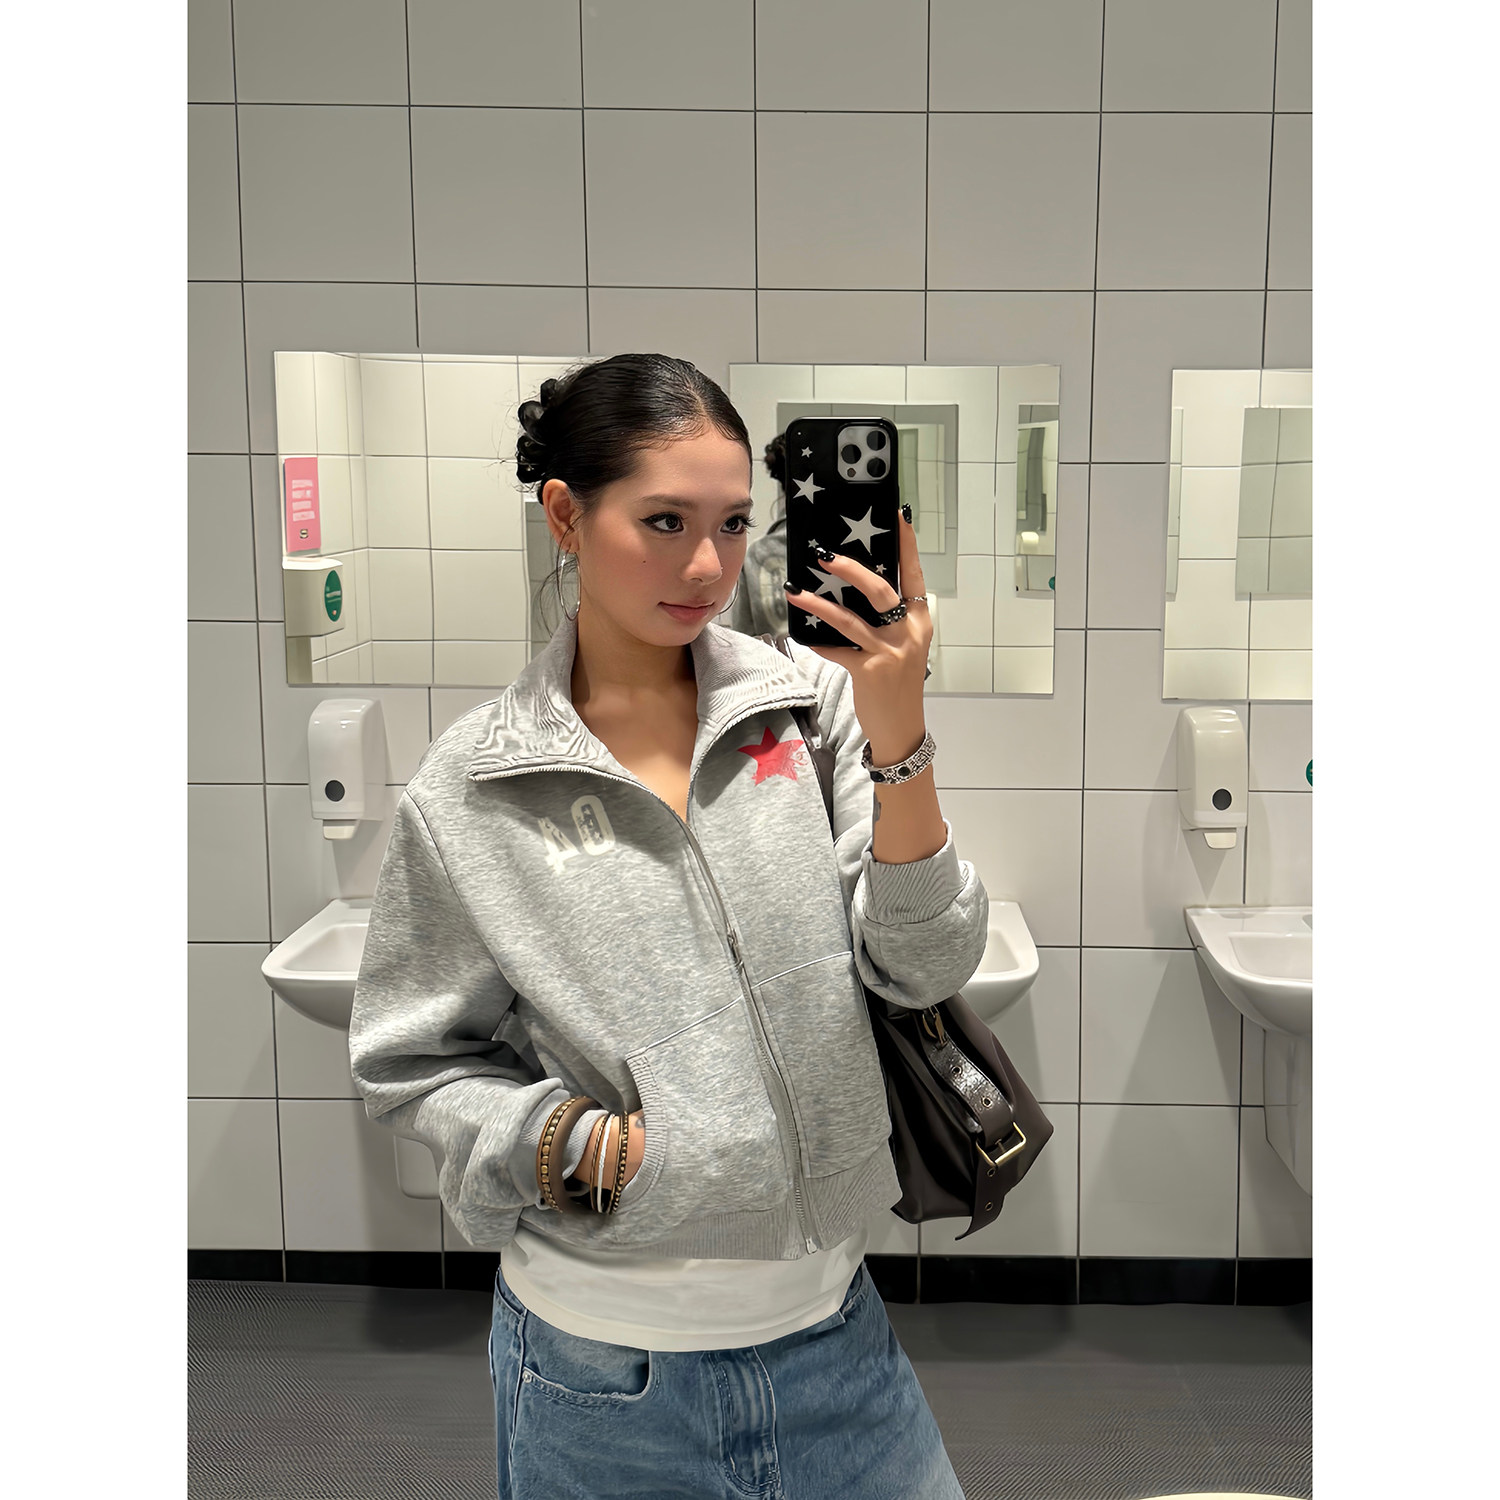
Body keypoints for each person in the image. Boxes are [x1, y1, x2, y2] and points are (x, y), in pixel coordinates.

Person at [349, 353, 987, 1499]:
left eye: (733, 523)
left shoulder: (813, 708)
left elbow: (924, 964)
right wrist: (587, 1150)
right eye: (664, 521)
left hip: (837, 1340)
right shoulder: (475, 785)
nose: (707, 566)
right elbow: (410, 1064)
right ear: (565, 516)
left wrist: (901, 730)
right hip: (601, 1379)